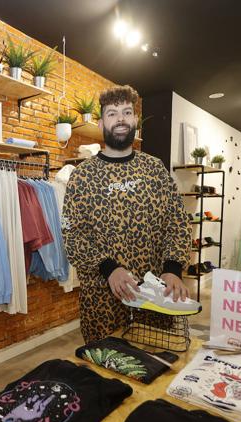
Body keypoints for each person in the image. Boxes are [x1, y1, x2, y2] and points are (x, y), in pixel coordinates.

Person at [62, 85, 191, 343]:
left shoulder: (155, 169)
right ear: (101, 123)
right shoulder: (82, 176)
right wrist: (108, 268)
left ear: (134, 120)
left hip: (154, 298)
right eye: (112, 113)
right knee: (105, 375)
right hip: (102, 301)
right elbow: (72, 234)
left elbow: (177, 221)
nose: (120, 119)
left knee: (155, 368)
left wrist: (173, 268)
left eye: (126, 112)